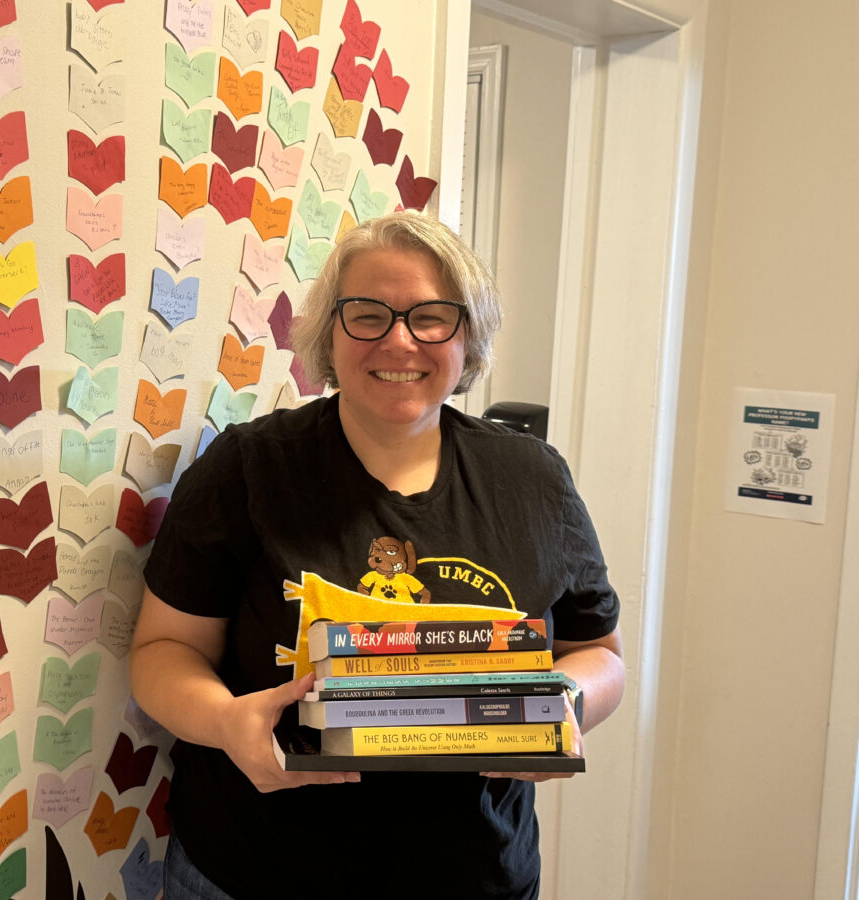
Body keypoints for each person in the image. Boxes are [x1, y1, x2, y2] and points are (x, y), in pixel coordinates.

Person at [129, 210, 625, 899]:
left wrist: (566, 703)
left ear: (467, 336)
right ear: (330, 332)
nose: (399, 340)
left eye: (431, 316)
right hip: (255, 873)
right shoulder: (248, 470)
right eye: (368, 313)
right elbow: (161, 651)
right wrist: (226, 721)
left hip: (477, 877)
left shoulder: (534, 480)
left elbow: (600, 652)